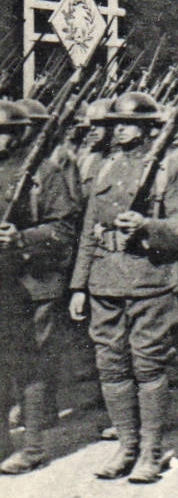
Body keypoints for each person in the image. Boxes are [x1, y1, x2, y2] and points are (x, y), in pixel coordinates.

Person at [68, 91, 178, 483]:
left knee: (148, 365)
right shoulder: (106, 169)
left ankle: (151, 451)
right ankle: (126, 446)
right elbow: (88, 233)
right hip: (105, 281)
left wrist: (148, 226)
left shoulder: (168, 170)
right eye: (115, 124)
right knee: (110, 366)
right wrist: (79, 285)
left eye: (126, 123)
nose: (118, 130)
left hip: (149, 279)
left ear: (146, 127)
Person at [0, 101, 82, 474]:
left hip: (36, 282)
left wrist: (23, 237)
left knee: (29, 365)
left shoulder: (42, 174)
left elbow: (64, 229)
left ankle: (32, 447)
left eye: (3, 132)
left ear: (19, 134)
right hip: (4, 284)